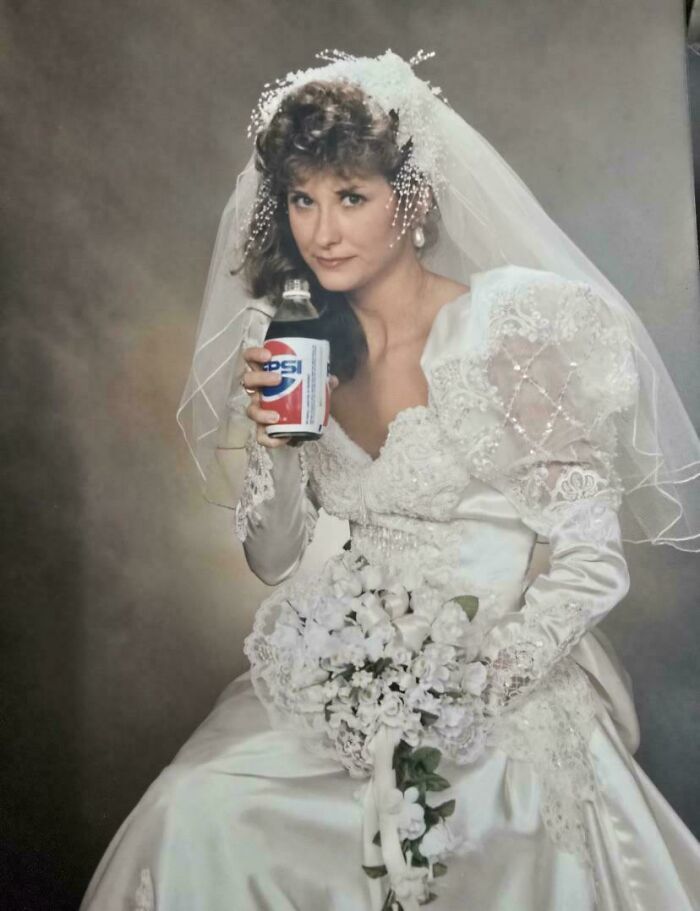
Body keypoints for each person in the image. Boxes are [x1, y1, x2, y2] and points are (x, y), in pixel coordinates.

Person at [80, 49, 700, 911]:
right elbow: (273, 556)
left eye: (350, 196)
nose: (321, 231)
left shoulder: (505, 333)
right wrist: (286, 442)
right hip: (349, 673)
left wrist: (476, 683)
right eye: (302, 198)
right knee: (195, 807)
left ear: (409, 203)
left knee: (476, 830)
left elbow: (595, 557)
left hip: (494, 677)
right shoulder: (292, 335)